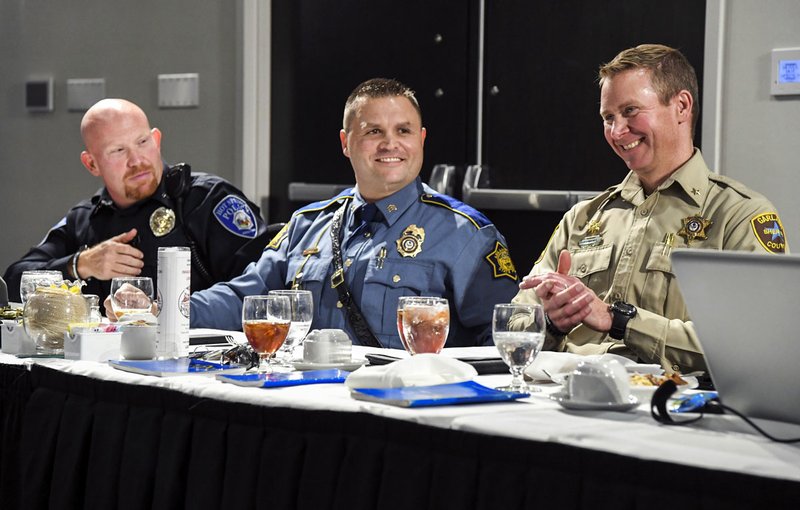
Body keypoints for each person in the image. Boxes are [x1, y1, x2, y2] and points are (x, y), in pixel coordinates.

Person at [512, 44, 789, 374]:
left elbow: (751, 343)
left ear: (681, 106)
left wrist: (620, 320)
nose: (617, 131)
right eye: (608, 118)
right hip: (563, 396)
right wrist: (554, 324)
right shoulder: (584, 218)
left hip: (671, 408)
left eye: (630, 111)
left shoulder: (738, 216)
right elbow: (512, 327)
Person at [191, 78, 519, 348]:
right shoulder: (307, 225)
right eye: (373, 132)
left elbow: (502, 338)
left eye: (403, 131)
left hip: (401, 411)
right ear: (346, 143)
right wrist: (163, 310)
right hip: (306, 406)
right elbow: (243, 299)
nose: (390, 144)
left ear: (421, 139)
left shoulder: (466, 234)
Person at [3, 99, 269, 307]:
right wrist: (82, 264)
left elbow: (261, 288)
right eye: (118, 151)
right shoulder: (86, 218)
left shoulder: (207, 199)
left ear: (156, 140)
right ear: (91, 164)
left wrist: (168, 310)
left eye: (142, 142)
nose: (137, 160)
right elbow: (15, 281)